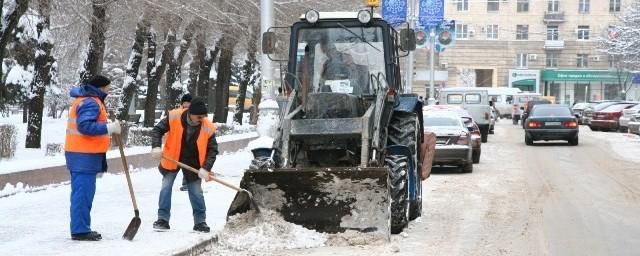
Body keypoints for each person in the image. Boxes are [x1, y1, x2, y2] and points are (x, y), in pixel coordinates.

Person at [65, 75, 121, 241]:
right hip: (83, 155)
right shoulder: (90, 101)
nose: (109, 91)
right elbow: (85, 126)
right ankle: (80, 230)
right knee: (83, 194)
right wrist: (108, 128)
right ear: (101, 88)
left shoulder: (88, 99)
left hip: (83, 155)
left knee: (83, 193)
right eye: (108, 88)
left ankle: (81, 227)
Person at [150, 97, 218, 233]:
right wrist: (156, 147)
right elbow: (157, 130)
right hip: (172, 157)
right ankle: (162, 219)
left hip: (193, 161)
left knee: (196, 192)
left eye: (204, 116)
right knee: (166, 187)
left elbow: (213, 150)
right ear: (190, 113)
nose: (202, 118)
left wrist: (206, 168)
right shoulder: (174, 116)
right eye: (199, 116)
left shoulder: (207, 126)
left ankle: (200, 222)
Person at [177, 94, 192, 192]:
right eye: (184, 105)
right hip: (177, 144)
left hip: (189, 143)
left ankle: (187, 183)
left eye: (188, 105)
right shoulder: (177, 114)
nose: (186, 107)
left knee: (189, 164)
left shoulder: (194, 115)